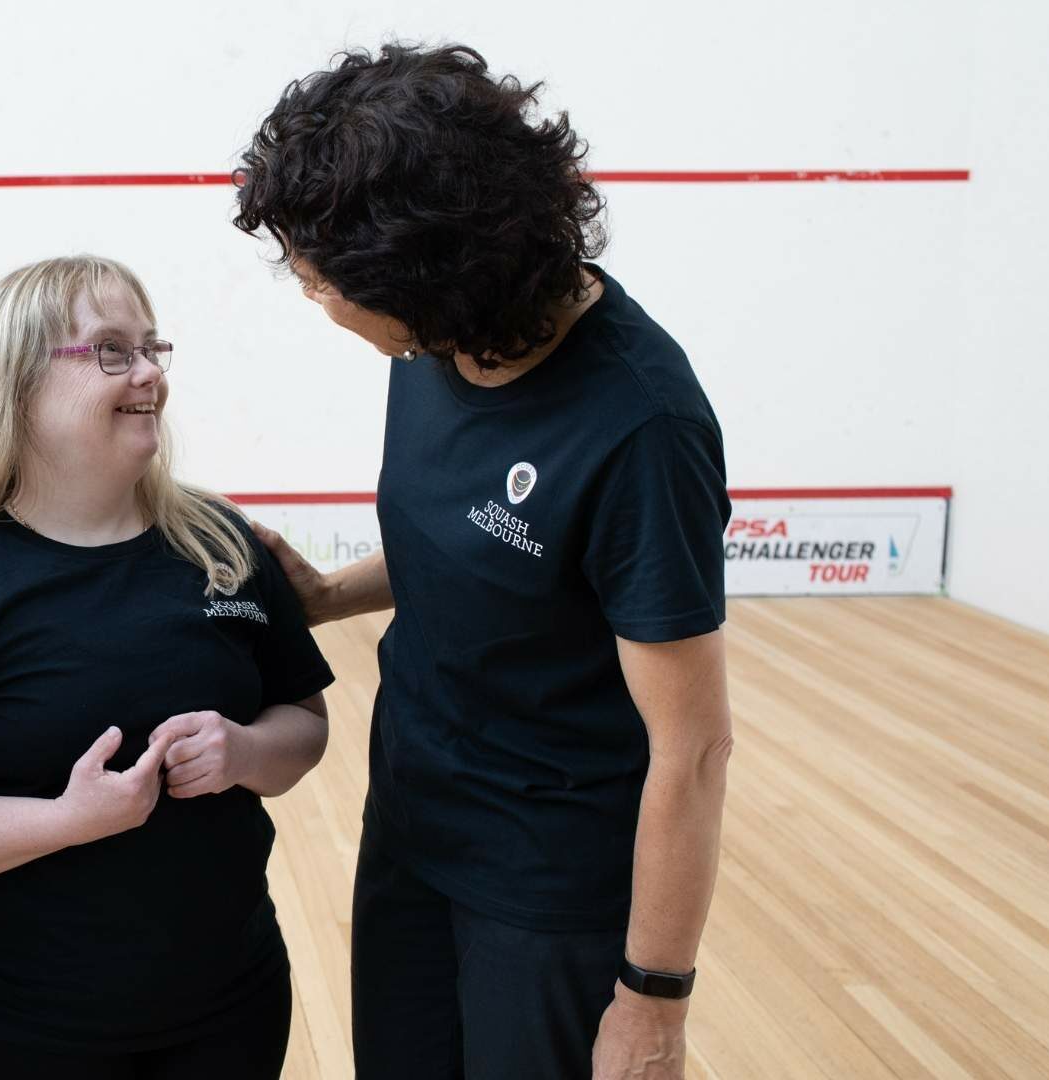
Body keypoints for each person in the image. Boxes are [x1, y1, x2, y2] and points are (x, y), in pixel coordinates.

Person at [232, 45, 736, 1079]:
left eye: (325, 279)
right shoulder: (435, 345)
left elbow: (693, 751)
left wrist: (653, 1003)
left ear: (430, 274)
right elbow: (476, 546)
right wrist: (328, 596)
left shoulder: (640, 427)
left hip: (547, 886)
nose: (313, 294)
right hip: (414, 825)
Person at [0, 255, 335, 1079]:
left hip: (229, 1006)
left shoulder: (222, 545)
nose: (150, 372)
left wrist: (246, 751)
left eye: (152, 347)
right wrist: (69, 819)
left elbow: (306, 723)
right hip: (18, 1024)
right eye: (112, 350)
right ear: (19, 387)